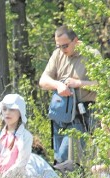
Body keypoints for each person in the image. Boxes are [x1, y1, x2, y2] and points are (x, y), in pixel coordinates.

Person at [39, 25, 98, 164]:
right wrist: (58, 85)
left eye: (65, 46)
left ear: (75, 41)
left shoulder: (92, 55)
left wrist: (80, 83)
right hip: (60, 112)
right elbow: (43, 81)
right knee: (58, 160)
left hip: (82, 113)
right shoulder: (58, 54)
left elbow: (105, 86)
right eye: (58, 46)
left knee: (68, 158)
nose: (62, 49)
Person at [0, 94, 33, 178]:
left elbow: (21, 162)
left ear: (20, 112)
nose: (7, 112)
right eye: (4, 109)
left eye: (12, 109)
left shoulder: (25, 136)